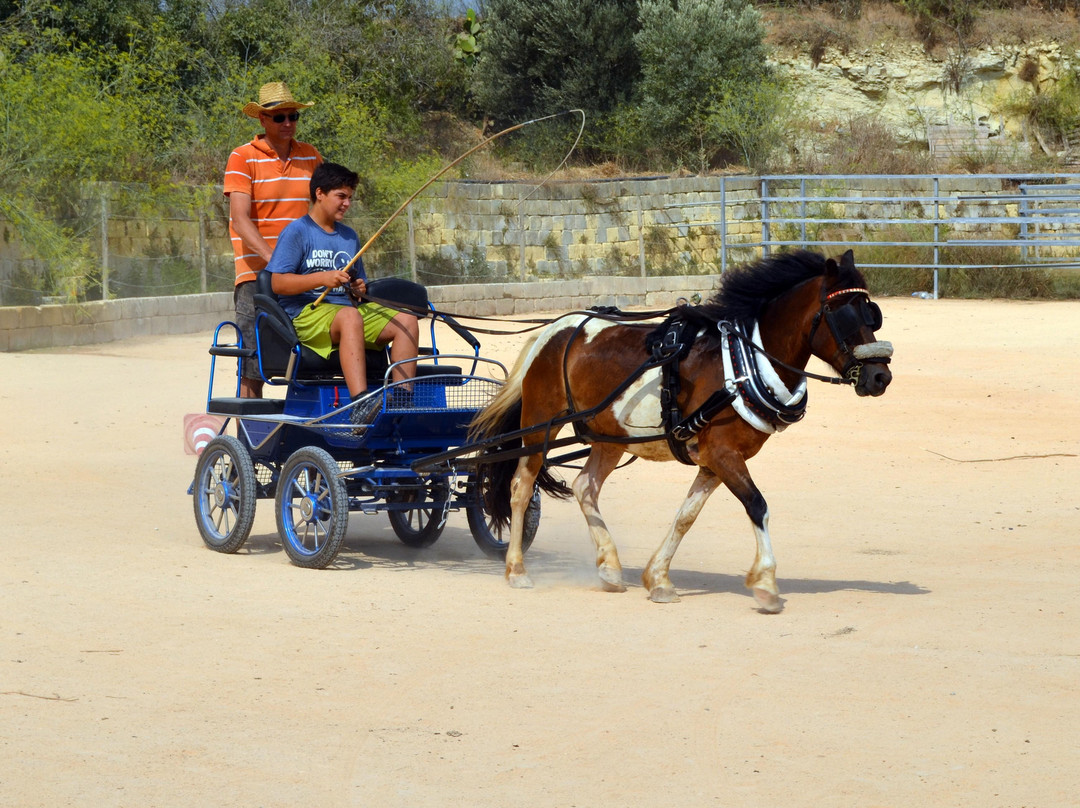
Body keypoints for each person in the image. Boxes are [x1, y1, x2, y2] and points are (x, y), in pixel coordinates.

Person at [265, 162, 419, 427]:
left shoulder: (349, 237)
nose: (347, 203)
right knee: (350, 317)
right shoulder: (297, 232)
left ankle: (403, 402)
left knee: (406, 320)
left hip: (347, 312)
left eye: (350, 197)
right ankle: (360, 403)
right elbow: (278, 283)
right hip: (307, 313)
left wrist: (359, 289)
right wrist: (322, 278)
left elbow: (358, 286)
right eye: (341, 196)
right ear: (319, 193)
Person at [224, 81, 323, 398]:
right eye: (279, 118)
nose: (287, 124)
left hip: (302, 277)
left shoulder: (311, 157)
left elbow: (325, 208)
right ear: (262, 120)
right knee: (255, 365)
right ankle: (249, 445)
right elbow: (240, 219)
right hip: (256, 276)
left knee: (314, 360)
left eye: (293, 116)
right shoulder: (242, 157)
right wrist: (276, 260)